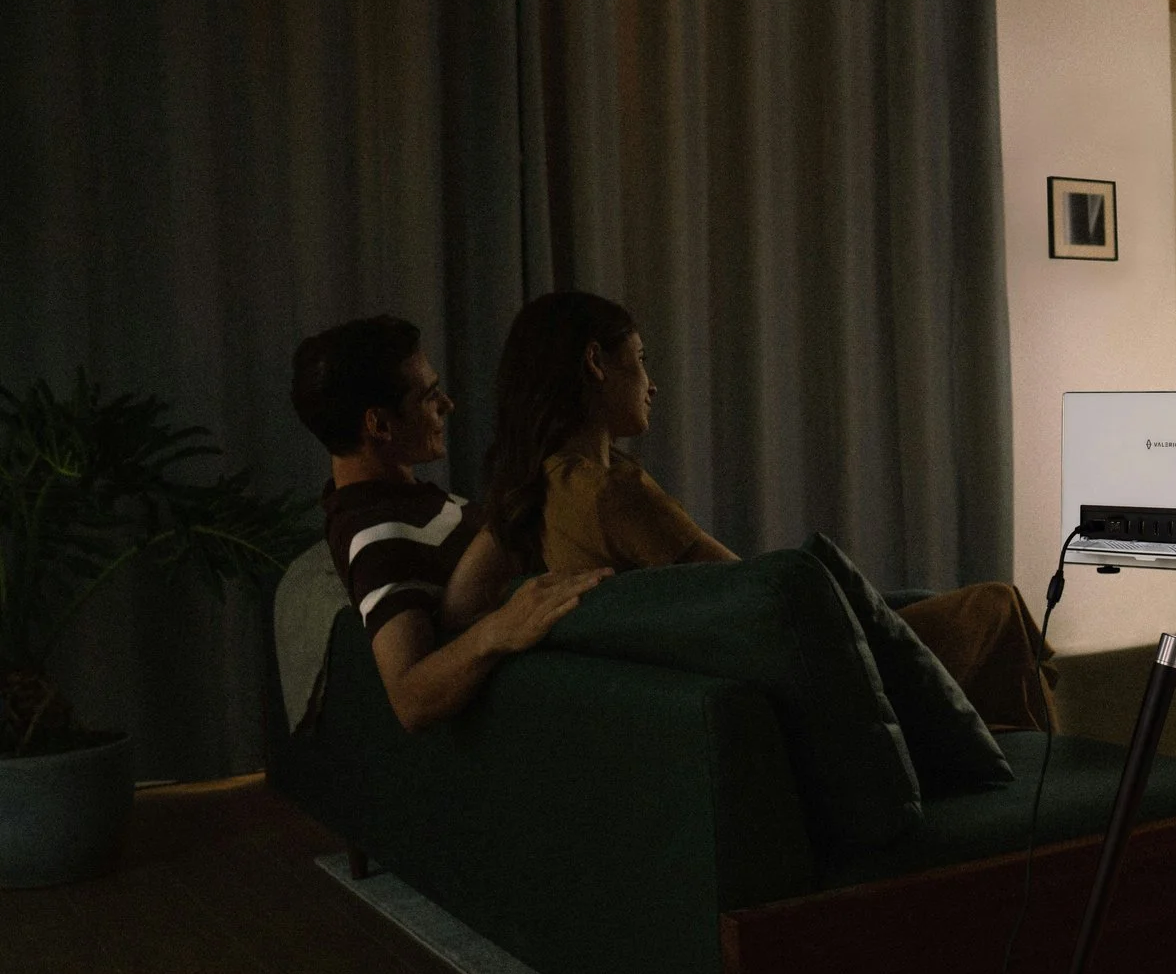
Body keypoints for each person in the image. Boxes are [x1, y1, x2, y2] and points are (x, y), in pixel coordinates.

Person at [463, 291, 1055, 730]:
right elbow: (759, 593)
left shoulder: (540, 489)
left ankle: (1008, 766)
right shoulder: (615, 493)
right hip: (802, 689)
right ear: (596, 362)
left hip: (735, 674)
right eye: (639, 359)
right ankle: (1050, 789)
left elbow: (459, 603)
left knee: (936, 611)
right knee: (996, 604)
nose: (652, 384)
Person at [290, 316, 607, 732]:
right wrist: (500, 628)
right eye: (429, 396)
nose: (448, 405)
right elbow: (409, 700)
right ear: (380, 425)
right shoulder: (376, 536)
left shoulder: (406, 501)